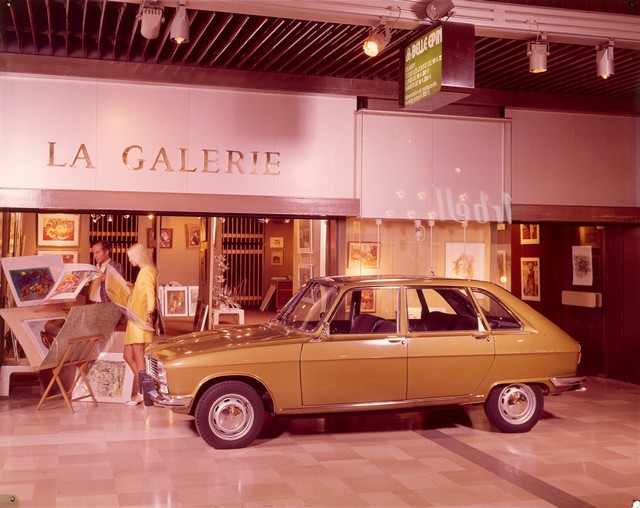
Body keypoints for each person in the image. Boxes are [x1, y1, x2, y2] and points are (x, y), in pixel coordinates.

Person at [123, 242, 157, 406]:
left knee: (138, 355)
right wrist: (133, 287)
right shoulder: (143, 273)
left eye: (130, 258)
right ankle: (145, 391)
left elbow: (150, 294)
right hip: (133, 319)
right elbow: (141, 292)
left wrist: (150, 312)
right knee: (127, 356)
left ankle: (142, 392)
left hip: (140, 320)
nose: (130, 261)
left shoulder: (147, 272)